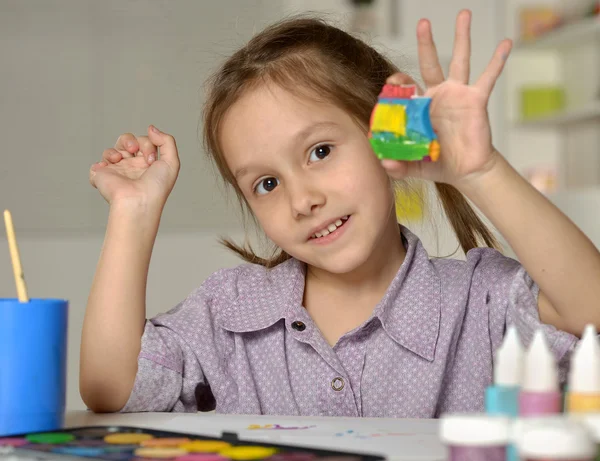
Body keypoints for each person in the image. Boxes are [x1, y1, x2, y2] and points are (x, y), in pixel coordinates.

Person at [80, 10, 600, 416]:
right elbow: (111, 390)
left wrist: (480, 171)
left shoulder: (478, 303)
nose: (302, 200)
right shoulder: (231, 311)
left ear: (385, 134)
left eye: (321, 152)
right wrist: (133, 212)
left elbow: (591, 313)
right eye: (266, 183)